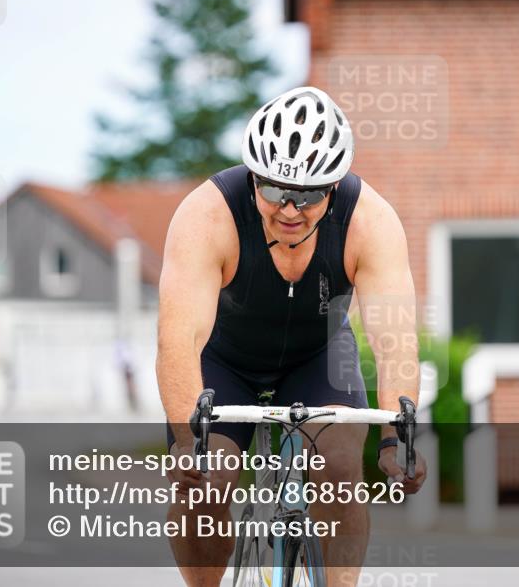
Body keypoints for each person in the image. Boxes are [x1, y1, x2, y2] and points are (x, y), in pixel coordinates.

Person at [157, 86, 426, 587]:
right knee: (204, 484)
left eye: (309, 195)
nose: (289, 209)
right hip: (223, 363)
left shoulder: (371, 220)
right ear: (253, 176)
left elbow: (396, 343)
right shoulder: (206, 216)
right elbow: (178, 341)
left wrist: (398, 438)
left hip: (317, 357)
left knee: (341, 470)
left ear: (335, 185)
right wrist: (186, 440)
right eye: (275, 190)